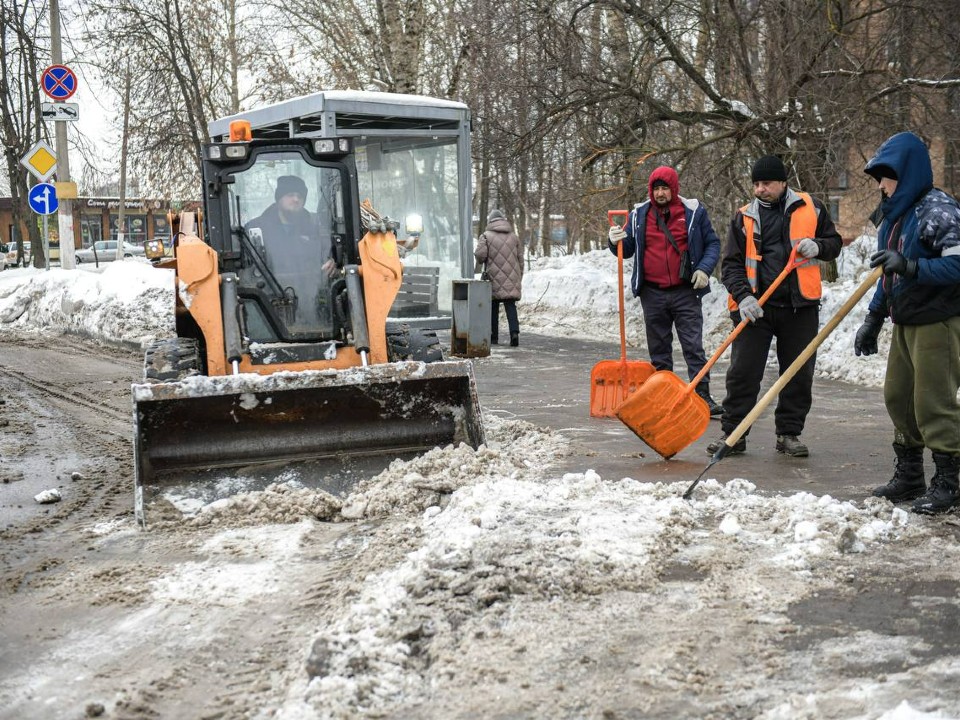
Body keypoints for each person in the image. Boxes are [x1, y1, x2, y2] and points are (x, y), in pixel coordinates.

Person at [707, 155, 843, 457]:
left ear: (782, 182)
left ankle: (789, 434)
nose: (759, 189)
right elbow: (730, 265)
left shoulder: (812, 207)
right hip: (757, 309)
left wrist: (819, 246)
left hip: (800, 306)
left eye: (766, 183)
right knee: (743, 372)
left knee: (797, 372)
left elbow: (834, 243)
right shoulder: (743, 217)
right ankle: (734, 435)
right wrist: (744, 297)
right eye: (756, 184)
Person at [854, 132, 960, 514]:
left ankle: (949, 483)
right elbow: (887, 275)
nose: (881, 185)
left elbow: (958, 264)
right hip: (906, 319)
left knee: (934, 402)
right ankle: (910, 475)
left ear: (908, 172)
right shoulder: (893, 216)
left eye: (887, 175)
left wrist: (912, 266)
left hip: (938, 319)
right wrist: (873, 317)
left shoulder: (938, 209)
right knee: (898, 397)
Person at [607, 166, 723, 414]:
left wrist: (704, 269)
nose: (660, 193)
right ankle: (663, 396)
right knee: (659, 349)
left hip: (685, 290)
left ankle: (702, 395)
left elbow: (713, 243)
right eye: (656, 188)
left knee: (693, 346)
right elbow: (626, 249)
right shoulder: (639, 215)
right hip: (653, 292)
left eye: (664, 188)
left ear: (674, 188)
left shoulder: (693, 212)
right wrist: (613, 239)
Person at [246, 175, 335, 328]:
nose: (296, 199)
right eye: (290, 195)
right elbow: (246, 270)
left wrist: (332, 261)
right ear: (278, 198)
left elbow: (328, 253)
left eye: (300, 196)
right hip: (268, 304)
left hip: (311, 303)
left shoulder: (317, 227)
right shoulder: (255, 229)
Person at [475, 209, 523, 346]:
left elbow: (480, 255)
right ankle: (514, 333)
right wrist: (519, 277)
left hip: (493, 276)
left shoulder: (485, 236)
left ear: (490, 221)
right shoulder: (514, 237)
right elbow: (520, 260)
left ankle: (493, 336)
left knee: (493, 306)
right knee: (510, 305)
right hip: (512, 276)